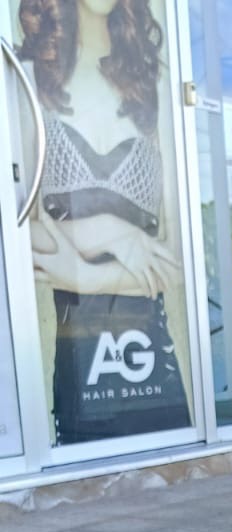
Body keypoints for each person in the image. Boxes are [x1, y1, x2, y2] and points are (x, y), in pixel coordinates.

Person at [18, 0, 189, 445]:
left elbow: (171, 263)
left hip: (152, 352)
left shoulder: (153, 82)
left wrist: (90, 276)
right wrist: (115, 231)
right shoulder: (27, 76)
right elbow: (21, 232)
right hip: (80, 354)